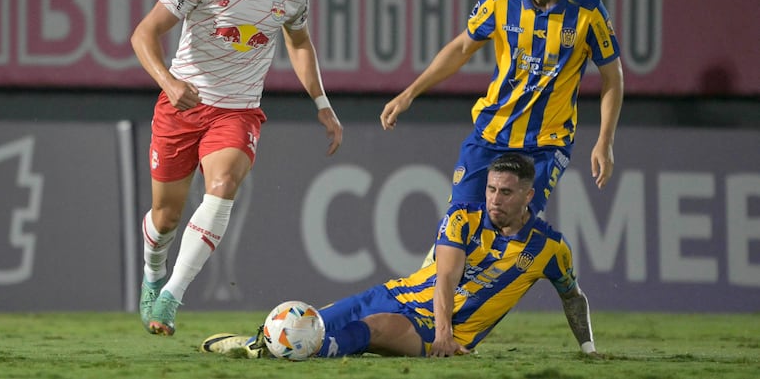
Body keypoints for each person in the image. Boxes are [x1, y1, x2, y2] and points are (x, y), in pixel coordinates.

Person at [129, 0, 343, 336]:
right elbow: (144, 34)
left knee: (223, 186)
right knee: (165, 217)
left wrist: (322, 105)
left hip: (237, 111)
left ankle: (171, 297)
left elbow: (299, 44)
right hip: (181, 107)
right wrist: (170, 82)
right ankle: (152, 276)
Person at [380, 0, 623, 266]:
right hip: (491, 134)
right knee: (459, 224)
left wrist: (605, 140)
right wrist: (410, 93)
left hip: (545, 145)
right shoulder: (500, 3)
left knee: (509, 228)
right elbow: (462, 48)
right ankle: (430, 303)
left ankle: (472, 311)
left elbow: (612, 77)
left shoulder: (588, 13)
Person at [200, 153, 602, 359]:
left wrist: (588, 349)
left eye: (506, 193)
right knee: (317, 318)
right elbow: (445, 275)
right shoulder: (464, 217)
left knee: (375, 328)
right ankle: (258, 345)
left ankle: (294, 352)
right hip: (397, 293)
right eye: (492, 190)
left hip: (437, 329)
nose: (495, 199)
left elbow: (573, 295)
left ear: (529, 196)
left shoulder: (550, 248)